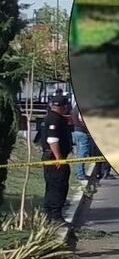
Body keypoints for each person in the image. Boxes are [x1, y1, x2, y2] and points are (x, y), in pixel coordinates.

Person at [39, 94, 73, 222]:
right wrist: (59, 158)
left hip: (50, 157)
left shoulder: (51, 117)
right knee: (58, 185)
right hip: (54, 158)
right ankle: (56, 216)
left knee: (51, 185)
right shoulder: (55, 119)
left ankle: (48, 215)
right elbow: (52, 140)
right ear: (64, 107)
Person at [70, 97, 92, 181]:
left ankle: (80, 172)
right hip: (81, 132)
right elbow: (82, 120)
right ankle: (80, 174)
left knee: (79, 154)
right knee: (82, 155)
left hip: (76, 131)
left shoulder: (75, 107)